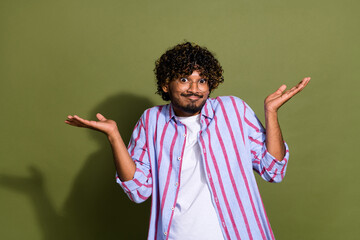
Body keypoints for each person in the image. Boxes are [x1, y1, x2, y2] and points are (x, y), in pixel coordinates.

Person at [65, 42, 310, 240]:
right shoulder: (151, 121)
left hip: (238, 233)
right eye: (184, 79)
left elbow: (273, 170)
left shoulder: (234, 110)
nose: (194, 88)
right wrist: (114, 137)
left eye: (202, 80)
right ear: (165, 84)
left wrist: (271, 113)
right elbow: (138, 190)